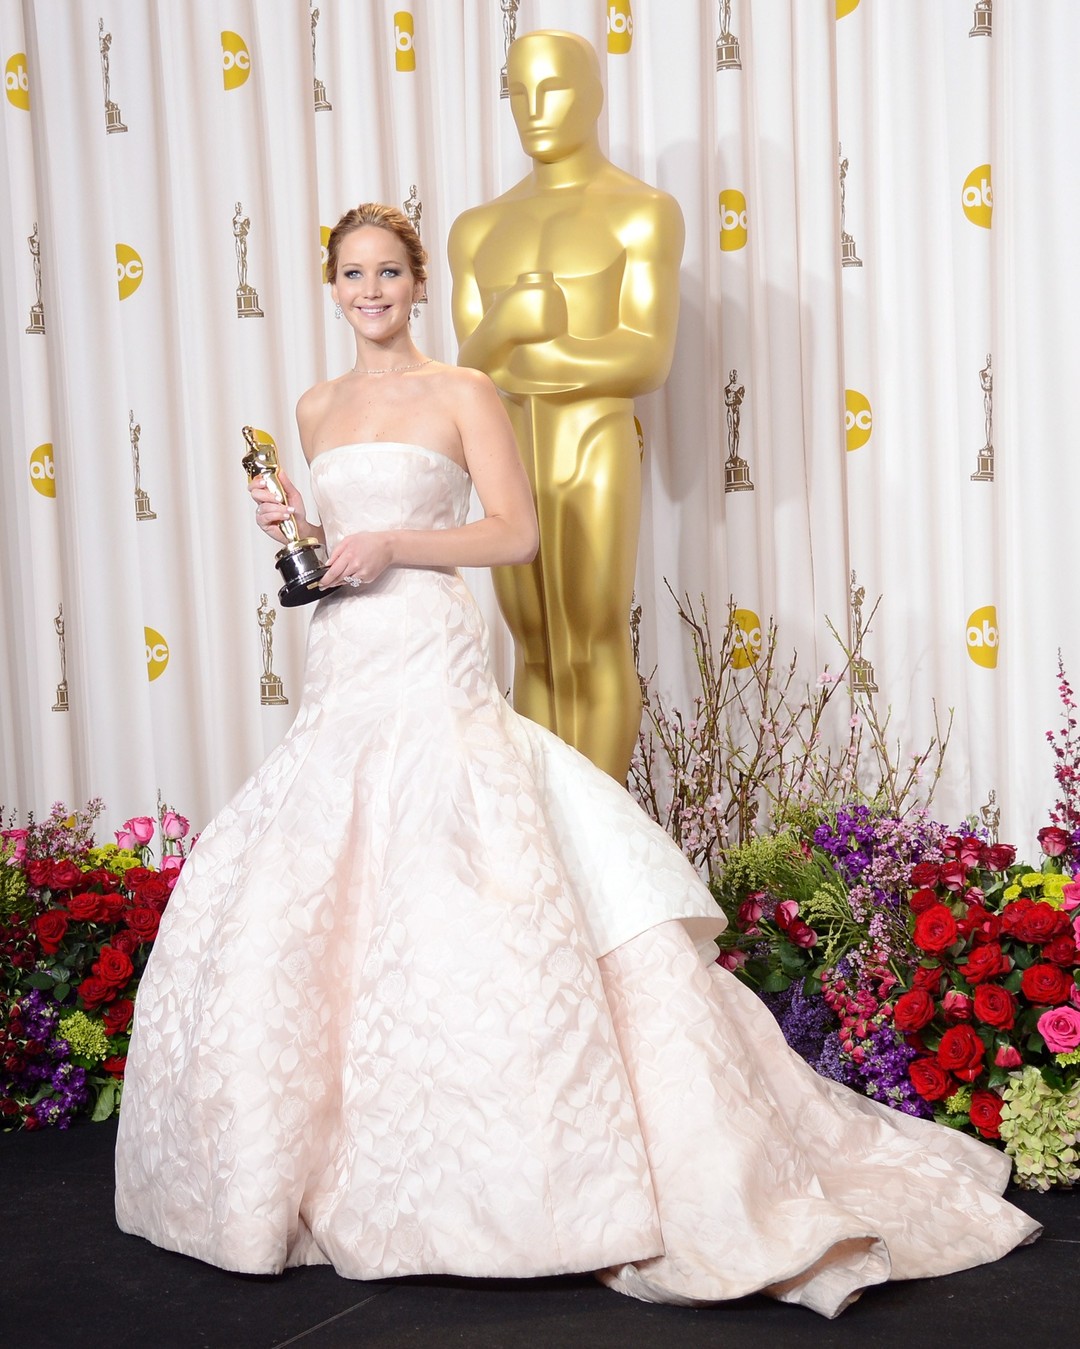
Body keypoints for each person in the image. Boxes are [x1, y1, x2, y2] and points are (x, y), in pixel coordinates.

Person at [115, 203, 1038, 1317]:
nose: (371, 291)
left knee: (456, 856)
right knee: (333, 872)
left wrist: (395, 541)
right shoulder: (314, 406)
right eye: (353, 275)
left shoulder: (463, 391)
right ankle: (338, 1160)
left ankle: (516, 1175)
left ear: (418, 283)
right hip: (342, 653)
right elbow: (336, 543)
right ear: (333, 286)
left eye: (390, 272)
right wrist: (297, 529)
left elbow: (514, 532)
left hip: (428, 642)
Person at [448, 31, 685, 784]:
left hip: (595, 437)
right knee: (533, 643)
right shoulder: (477, 228)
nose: (533, 109)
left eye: (552, 90)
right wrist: (508, 329)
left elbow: (647, 356)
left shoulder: (641, 212)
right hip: (509, 444)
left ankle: (607, 843)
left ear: (592, 95)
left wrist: (525, 349)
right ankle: (547, 838)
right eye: (518, 92)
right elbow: (469, 369)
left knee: (593, 634)